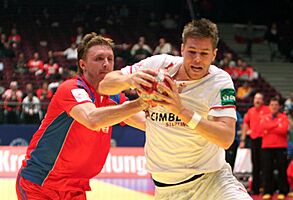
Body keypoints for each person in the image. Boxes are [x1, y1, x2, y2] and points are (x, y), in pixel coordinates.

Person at [99, 18, 251, 199]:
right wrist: (130, 80)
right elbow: (104, 85)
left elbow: (225, 138)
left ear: (214, 54)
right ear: (181, 49)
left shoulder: (220, 81)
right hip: (167, 190)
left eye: (204, 54)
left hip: (213, 181)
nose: (197, 59)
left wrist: (181, 110)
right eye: (192, 51)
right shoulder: (158, 66)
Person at [15, 32, 149, 200]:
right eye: (99, 59)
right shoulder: (71, 88)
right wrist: (140, 102)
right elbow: (92, 119)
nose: (106, 64)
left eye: (110, 59)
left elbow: (145, 122)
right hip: (41, 184)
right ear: (83, 64)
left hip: (74, 188)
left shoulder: (115, 97)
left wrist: (163, 103)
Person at [240, 92, 270, 195]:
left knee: (265, 165)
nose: (257, 101)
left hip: (265, 140)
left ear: (262, 100)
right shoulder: (250, 111)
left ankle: (266, 188)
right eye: (255, 99)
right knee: (255, 164)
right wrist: (243, 140)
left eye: (259, 99)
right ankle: (255, 189)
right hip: (254, 140)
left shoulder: (267, 110)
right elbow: (245, 124)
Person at [260, 97, 289, 200]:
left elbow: (284, 130)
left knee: (282, 170)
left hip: (281, 147)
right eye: (272, 105)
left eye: (276, 105)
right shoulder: (264, 117)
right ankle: (268, 191)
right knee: (267, 170)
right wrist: (276, 125)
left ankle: (283, 191)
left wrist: (270, 128)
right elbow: (263, 127)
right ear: (269, 106)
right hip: (267, 147)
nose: (274, 107)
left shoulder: (284, 117)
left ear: (279, 106)